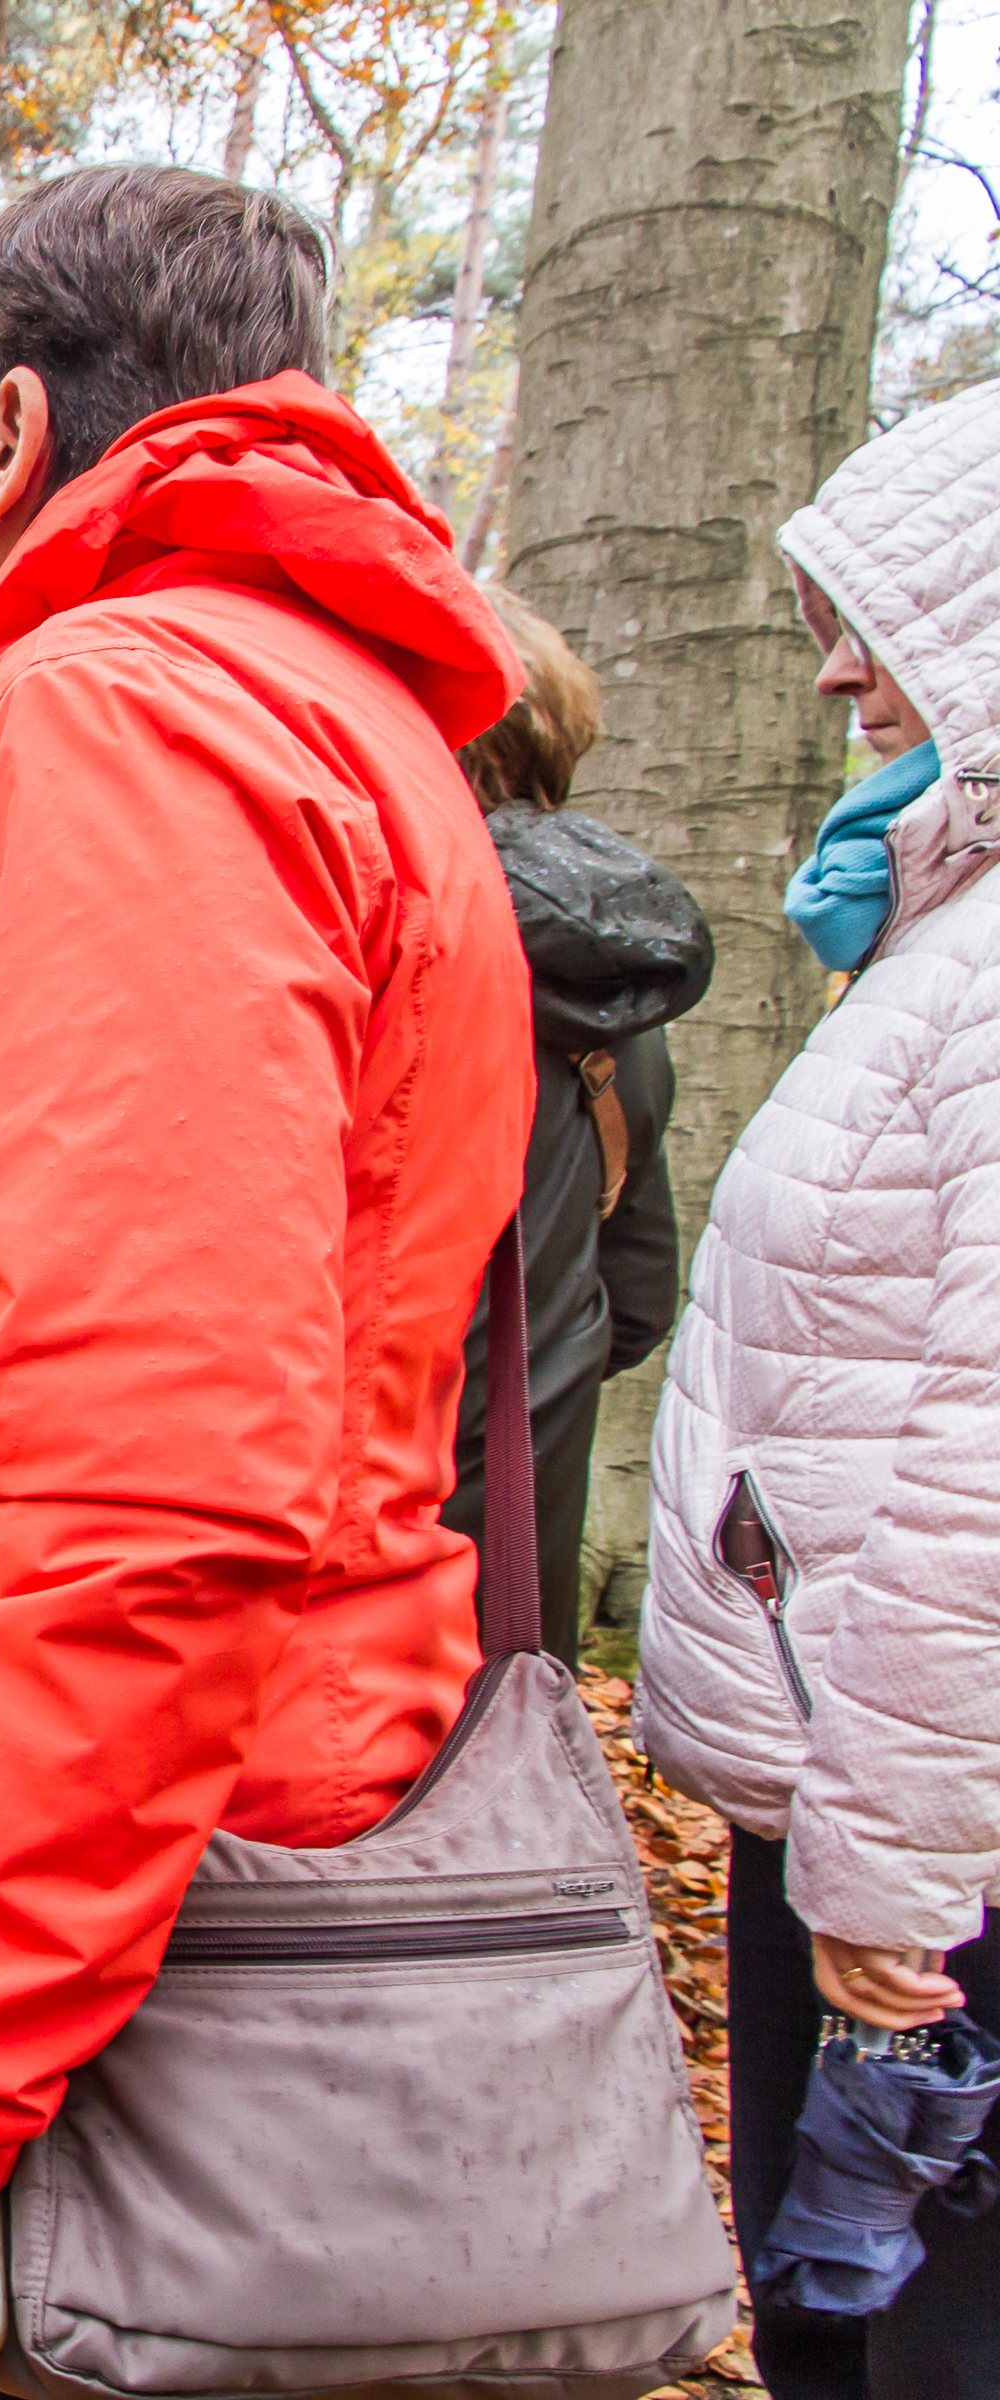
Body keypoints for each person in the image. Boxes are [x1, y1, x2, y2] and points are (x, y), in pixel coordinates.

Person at [0, 167, 530, 2398]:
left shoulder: (126, 719)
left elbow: (149, 1465)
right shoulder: (316, 699)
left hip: (99, 1879)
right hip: (160, 1812)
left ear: (0, 435)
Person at [640, 379, 1000, 2398]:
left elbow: (979, 1470)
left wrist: (888, 1883)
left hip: (931, 1858)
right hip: (876, 1802)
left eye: (886, 620)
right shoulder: (948, 935)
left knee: (900, 2343)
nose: (842, 671)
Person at [442, 589, 708, 1667]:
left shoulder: (377, 932)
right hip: (518, 1557)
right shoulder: (626, 989)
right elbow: (639, 1299)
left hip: (352, 1561)